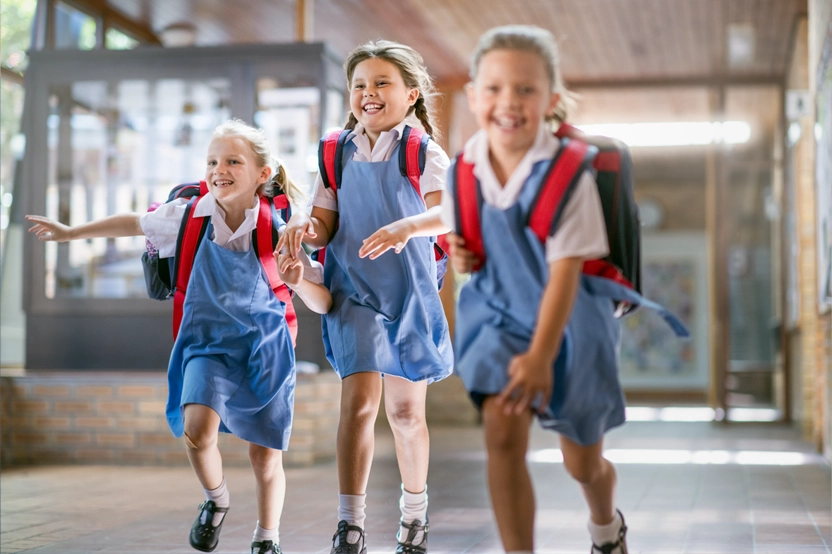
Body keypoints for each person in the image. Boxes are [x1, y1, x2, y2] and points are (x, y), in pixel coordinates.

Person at [26, 119, 332, 554]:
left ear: (263, 174)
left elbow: (322, 303)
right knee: (197, 431)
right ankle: (217, 499)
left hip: (265, 349)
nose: (217, 169)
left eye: (232, 161)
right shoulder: (188, 216)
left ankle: (267, 539)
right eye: (212, 160)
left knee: (265, 457)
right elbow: (133, 223)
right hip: (205, 345)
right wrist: (72, 233)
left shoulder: (283, 229)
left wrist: (298, 281)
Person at [441, 26, 629, 554]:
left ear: (551, 100)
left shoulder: (570, 177)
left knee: (582, 463)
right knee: (501, 430)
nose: (509, 102)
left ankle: (605, 527)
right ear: (474, 97)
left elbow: (566, 272)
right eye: (495, 88)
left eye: (526, 90)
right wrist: (461, 253)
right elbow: (465, 236)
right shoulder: (464, 169)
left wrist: (543, 356)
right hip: (501, 314)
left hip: (568, 323)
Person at [280, 40, 453, 554]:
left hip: (408, 294)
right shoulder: (335, 150)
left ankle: (414, 513)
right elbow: (323, 227)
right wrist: (300, 228)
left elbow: (449, 215)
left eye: (381, 83)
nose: (368, 94)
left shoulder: (423, 151)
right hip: (351, 290)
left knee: (405, 416)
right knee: (357, 405)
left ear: (410, 94)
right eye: (359, 85)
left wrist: (405, 227)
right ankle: (349, 524)